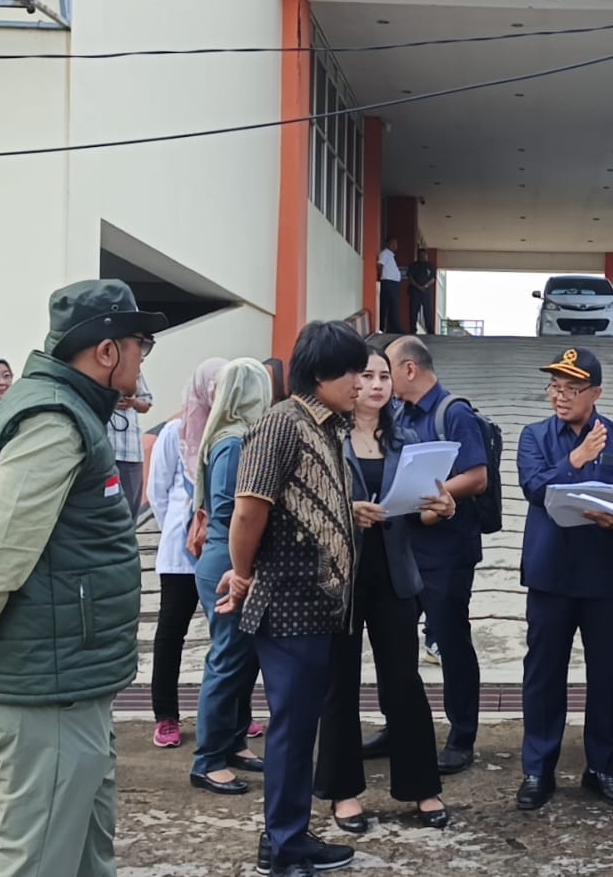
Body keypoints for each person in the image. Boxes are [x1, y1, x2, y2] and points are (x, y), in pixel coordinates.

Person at [0, 279, 165, 877]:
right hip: (48, 678)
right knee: (40, 858)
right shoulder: (54, 420)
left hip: (66, 672)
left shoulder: (72, 410)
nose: (144, 355)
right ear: (106, 351)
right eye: (142, 342)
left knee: (83, 850)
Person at [216, 321, 365, 877]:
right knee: (291, 729)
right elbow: (249, 509)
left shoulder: (325, 425)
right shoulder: (281, 424)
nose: (361, 382)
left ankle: (289, 835)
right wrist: (241, 573)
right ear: (323, 373)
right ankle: (282, 848)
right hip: (289, 605)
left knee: (301, 728)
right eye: (352, 371)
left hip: (320, 606)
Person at [314, 346, 452, 833]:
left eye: (383, 376)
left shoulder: (407, 438)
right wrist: (347, 511)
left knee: (405, 683)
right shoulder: (326, 436)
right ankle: (344, 792)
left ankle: (422, 787)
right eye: (366, 375)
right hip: (341, 576)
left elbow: (423, 509)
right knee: (340, 684)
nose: (375, 384)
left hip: (394, 574)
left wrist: (444, 506)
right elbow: (308, 502)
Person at [514, 347, 613, 810]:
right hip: (552, 575)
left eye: (572, 389)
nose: (561, 396)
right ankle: (538, 769)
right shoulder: (535, 437)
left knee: (607, 676)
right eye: (556, 387)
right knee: (543, 675)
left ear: (596, 392)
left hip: (607, 577)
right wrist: (574, 460)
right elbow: (535, 487)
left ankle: (602, 768)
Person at [385, 335, 490, 775]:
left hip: (446, 549)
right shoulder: (396, 413)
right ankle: (400, 726)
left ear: (410, 369)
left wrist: (436, 494)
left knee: (450, 640)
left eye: (387, 370)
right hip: (404, 546)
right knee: (397, 644)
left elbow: (478, 476)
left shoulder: (454, 413)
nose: (382, 381)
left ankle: (461, 734)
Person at [188, 360, 272, 796]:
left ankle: (235, 740)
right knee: (227, 660)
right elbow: (228, 509)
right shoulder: (235, 442)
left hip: (230, 558)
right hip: (228, 561)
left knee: (244, 658)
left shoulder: (230, 438)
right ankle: (209, 759)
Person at [147, 358, 227, 748]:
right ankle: (166, 715)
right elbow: (157, 493)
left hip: (222, 548)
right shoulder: (174, 432)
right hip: (181, 552)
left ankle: (232, 713)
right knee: (171, 633)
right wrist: (182, 531)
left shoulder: (233, 432)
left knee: (227, 635)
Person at [109, 373, 153, 516]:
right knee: (108, 511)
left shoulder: (133, 369)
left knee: (130, 512)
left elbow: (146, 403)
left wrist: (133, 403)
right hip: (106, 455)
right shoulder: (97, 369)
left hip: (131, 454)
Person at [407, 249, 438, 335]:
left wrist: (425, 286)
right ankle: (412, 329)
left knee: (428, 311)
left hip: (427, 292)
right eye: (421, 255)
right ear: (418, 255)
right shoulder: (413, 265)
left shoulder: (430, 266)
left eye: (424, 255)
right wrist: (418, 286)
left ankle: (430, 330)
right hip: (415, 291)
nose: (423, 257)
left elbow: (433, 278)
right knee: (413, 311)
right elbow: (410, 277)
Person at [377, 236, 405, 334]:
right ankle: (383, 327)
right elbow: (380, 265)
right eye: (393, 243)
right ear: (388, 244)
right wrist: (381, 276)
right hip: (388, 283)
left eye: (396, 244)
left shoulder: (391, 255)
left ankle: (392, 327)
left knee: (394, 306)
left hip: (393, 283)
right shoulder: (385, 253)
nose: (395, 245)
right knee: (386, 305)